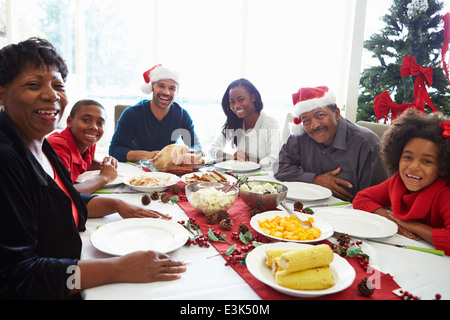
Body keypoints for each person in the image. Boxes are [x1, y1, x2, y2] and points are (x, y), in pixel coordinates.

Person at [0, 38, 185, 300]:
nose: (51, 95)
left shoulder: (39, 143)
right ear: (2, 93)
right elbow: (18, 277)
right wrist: (117, 269)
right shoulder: (6, 160)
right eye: (33, 84)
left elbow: (63, 201)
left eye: (58, 85)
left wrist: (115, 205)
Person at [353, 109, 450, 255]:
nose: (414, 167)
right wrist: (392, 220)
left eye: (427, 161)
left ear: (442, 165)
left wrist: (411, 225)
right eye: (407, 157)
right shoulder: (397, 182)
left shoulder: (445, 195)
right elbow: (361, 198)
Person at [273, 86, 388, 201]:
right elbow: (279, 167)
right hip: (308, 207)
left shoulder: (367, 144)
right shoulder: (301, 136)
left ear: (337, 114)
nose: (314, 126)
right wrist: (315, 179)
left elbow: (378, 200)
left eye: (320, 115)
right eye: (306, 120)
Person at [109, 64, 202, 163]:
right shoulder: (132, 114)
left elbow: (196, 146)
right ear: (152, 86)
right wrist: (147, 155)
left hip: (168, 170)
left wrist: (188, 154)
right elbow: (114, 150)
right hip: (137, 168)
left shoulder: (182, 115)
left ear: (177, 91)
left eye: (172, 88)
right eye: (161, 86)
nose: (166, 92)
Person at [47, 99, 118, 194]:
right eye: (86, 120)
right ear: (69, 121)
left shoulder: (87, 141)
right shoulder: (57, 146)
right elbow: (61, 194)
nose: (94, 127)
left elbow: (85, 163)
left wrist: (104, 165)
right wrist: (104, 177)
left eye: (100, 123)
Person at [207, 78, 282, 168]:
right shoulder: (234, 123)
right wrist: (231, 157)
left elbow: (275, 161)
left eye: (241, 99)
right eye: (232, 102)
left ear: (253, 97)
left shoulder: (270, 124)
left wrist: (248, 160)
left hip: (265, 179)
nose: (236, 106)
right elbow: (211, 150)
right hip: (241, 178)